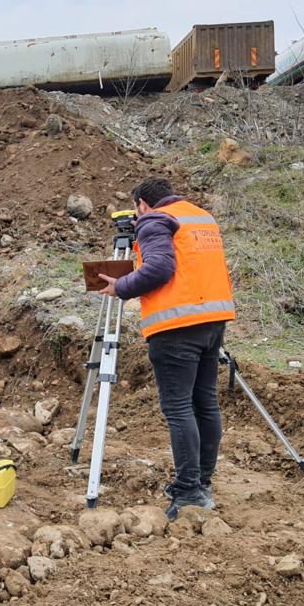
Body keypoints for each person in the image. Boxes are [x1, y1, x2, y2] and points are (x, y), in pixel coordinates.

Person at [97, 177, 235, 521]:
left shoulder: (154, 220)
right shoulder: (200, 216)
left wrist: (122, 286)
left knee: (179, 408)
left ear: (142, 204)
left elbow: (159, 267)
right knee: (205, 402)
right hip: (212, 320)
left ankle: (189, 492)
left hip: (176, 327)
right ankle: (201, 482)